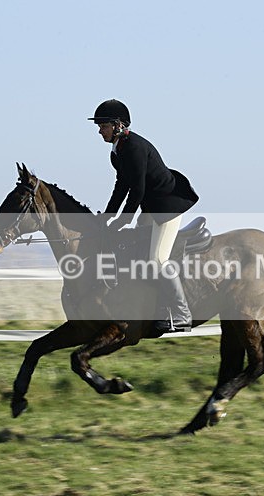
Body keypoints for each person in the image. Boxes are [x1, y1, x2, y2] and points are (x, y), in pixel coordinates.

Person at [89, 99, 199, 333]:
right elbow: (121, 186)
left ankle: (181, 314)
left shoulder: (134, 147)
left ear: (118, 125)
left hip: (167, 205)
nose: (99, 130)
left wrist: (123, 220)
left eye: (103, 126)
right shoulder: (117, 151)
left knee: (157, 259)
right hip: (150, 206)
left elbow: (137, 189)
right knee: (136, 249)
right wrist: (108, 216)